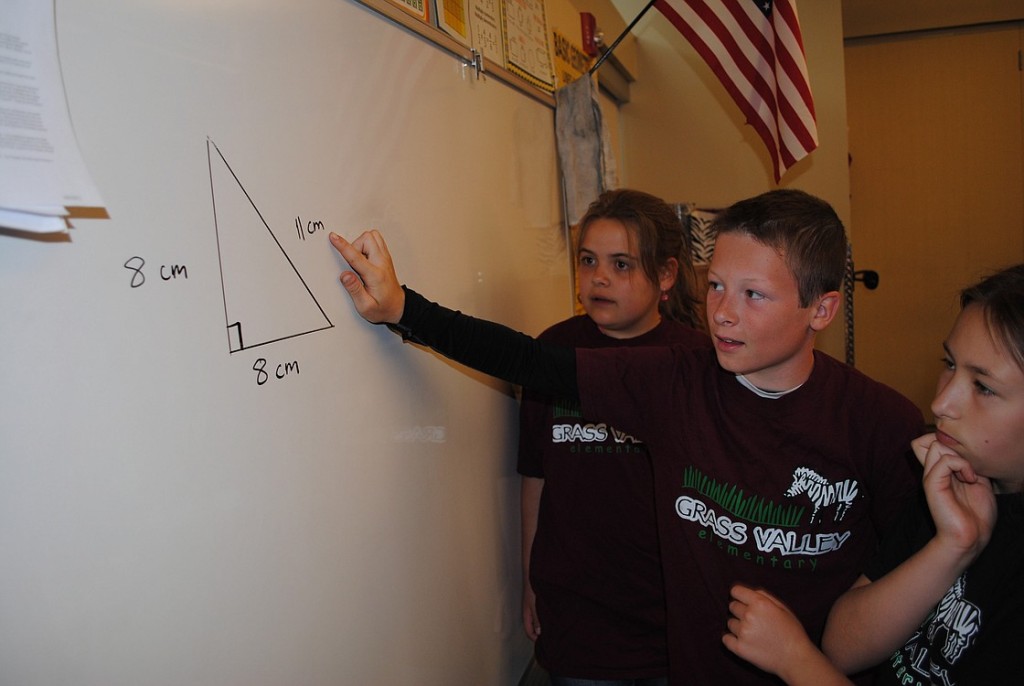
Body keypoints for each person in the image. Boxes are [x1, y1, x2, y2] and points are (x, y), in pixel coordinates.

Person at [328, 189, 924, 685]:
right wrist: (403, 307)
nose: (723, 312)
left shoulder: (883, 427)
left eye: (754, 295)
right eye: (716, 286)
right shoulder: (676, 384)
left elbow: (915, 590)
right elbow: (530, 361)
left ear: (821, 310)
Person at [722, 263, 1024, 685]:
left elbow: (820, 658)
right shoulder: (956, 479)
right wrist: (954, 545)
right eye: (950, 365)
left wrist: (795, 659)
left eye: (984, 388)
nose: (941, 404)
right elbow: (844, 645)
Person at [518, 190, 707, 686]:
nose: (599, 278)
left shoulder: (698, 363)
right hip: (578, 616)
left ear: (665, 275)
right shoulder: (553, 351)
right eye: (588, 261)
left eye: (621, 264)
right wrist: (529, 580)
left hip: (669, 618)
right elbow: (535, 477)